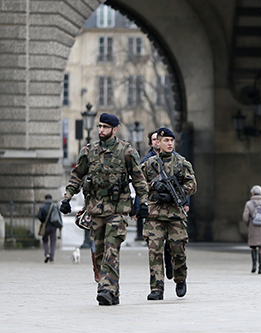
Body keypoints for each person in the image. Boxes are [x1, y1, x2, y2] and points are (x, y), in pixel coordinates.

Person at [61, 113, 149, 306]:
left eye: (105, 127)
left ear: (114, 130)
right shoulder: (89, 151)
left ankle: (106, 289)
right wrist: (67, 198)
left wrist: (144, 203)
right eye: (100, 126)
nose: (101, 130)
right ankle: (112, 292)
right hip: (95, 210)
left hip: (117, 210)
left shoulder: (126, 151)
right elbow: (77, 176)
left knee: (111, 248)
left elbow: (139, 179)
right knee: (99, 252)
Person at [139, 127, 197, 301]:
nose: (169, 143)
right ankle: (157, 288)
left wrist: (177, 192)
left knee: (177, 249)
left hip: (175, 214)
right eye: (166, 141)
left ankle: (180, 279)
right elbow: (138, 182)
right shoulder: (150, 164)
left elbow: (192, 184)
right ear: (159, 143)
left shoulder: (181, 162)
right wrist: (153, 187)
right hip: (155, 213)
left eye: (172, 140)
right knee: (154, 251)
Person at [242, 185, 261, 274]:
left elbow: (245, 217)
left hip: (253, 227)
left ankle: (254, 266)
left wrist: (248, 224)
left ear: (252, 193)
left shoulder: (249, 203)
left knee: (253, 247)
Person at [37, 194, 60, 263]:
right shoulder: (55, 206)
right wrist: (60, 225)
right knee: (53, 242)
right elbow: (58, 216)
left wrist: (43, 221)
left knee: (45, 240)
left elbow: (39, 216)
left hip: (45, 226)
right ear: (51, 198)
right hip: (53, 226)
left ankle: (47, 253)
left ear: (45, 198)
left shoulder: (42, 206)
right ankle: (52, 258)